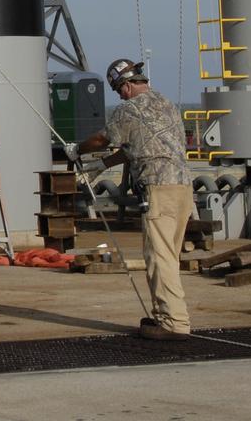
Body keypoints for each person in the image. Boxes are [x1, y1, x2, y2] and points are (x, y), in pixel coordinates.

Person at [65, 59, 193, 341]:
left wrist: (78, 150)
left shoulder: (129, 109)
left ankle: (174, 323)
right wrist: (103, 165)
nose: (120, 96)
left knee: (159, 258)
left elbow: (103, 139)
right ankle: (163, 315)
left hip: (158, 189)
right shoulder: (167, 104)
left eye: (118, 90)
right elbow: (135, 147)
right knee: (168, 255)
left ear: (125, 86)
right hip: (182, 188)